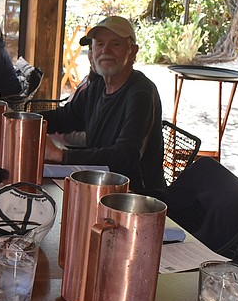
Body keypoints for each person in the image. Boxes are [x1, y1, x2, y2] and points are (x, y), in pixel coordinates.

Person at [39, 16, 165, 192]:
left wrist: (60, 155)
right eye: (99, 44)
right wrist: (20, 120)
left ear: (133, 51)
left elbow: (125, 155)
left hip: (134, 195)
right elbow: (64, 117)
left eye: (115, 44)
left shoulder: (141, 92)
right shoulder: (98, 87)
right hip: (98, 184)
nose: (106, 50)